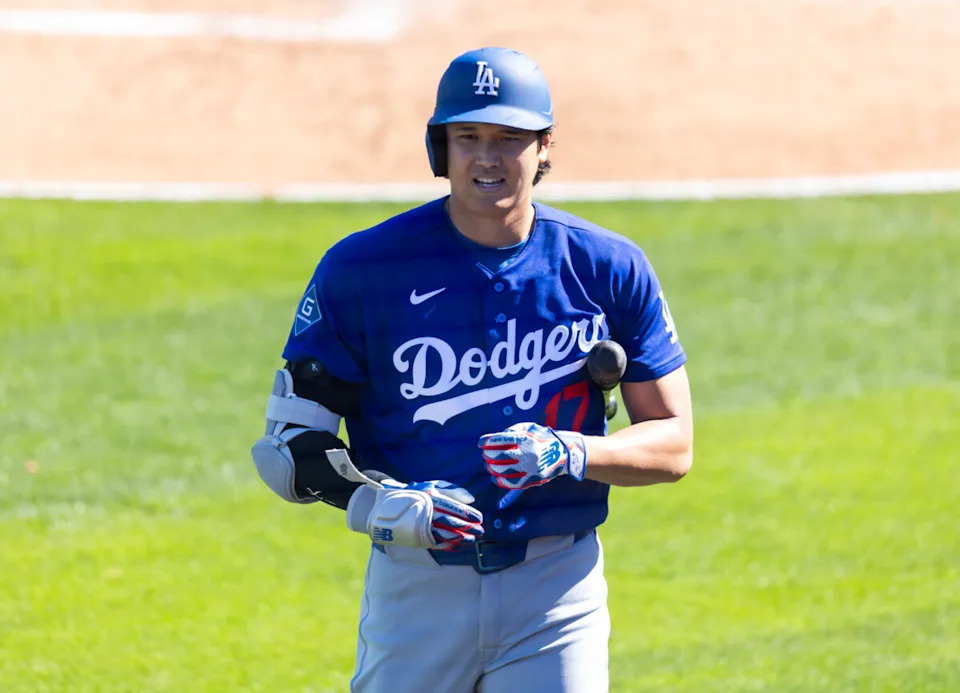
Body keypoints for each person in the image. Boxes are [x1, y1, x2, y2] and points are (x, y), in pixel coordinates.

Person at [251, 46, 693, 693]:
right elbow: (287, 453)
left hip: (555, 588)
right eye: (469, 137)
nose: (488, 157)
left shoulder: (608, 267)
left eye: (510, 137)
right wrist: (388, 504)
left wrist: (571, 452)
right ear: (441, 150)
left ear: (544, 146)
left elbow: (674, 441)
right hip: (417, 587)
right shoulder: (362, 270)